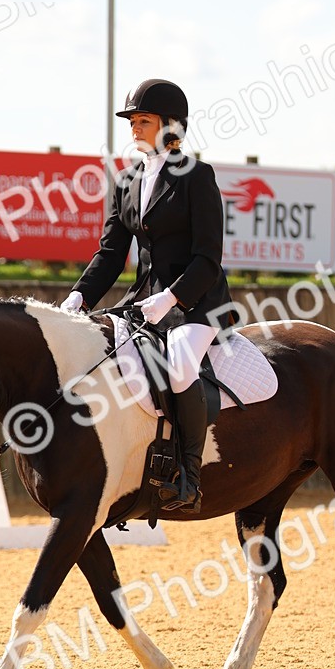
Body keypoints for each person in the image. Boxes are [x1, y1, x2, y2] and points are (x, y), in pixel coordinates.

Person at [59, 78, 236, 512]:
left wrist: (173, 298)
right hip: (144, 299)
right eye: (133, 121)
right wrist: (80, 297)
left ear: (170, 126)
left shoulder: (197, 177)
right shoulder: (127, 181)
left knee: (178, 368)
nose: (135, 128)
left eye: (144, 120)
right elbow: (111, 251)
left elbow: (209, 257)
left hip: (198, 304)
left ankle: (190, 476)